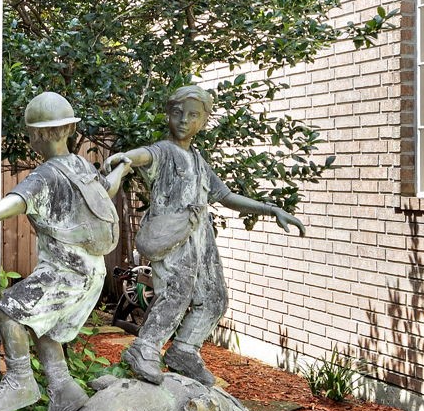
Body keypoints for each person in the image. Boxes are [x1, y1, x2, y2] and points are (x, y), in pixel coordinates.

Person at [103, 83, 303, 386]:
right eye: (178, 113)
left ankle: (184, 350)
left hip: (201, 239)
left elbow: (225, 195)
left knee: (214, 298)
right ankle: (144, 349)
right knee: (176, 292)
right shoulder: (165, 151)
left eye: (193, 115)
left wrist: (270, 209)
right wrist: (124, 158)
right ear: (168, 114)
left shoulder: (198, 160)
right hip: (173, 235)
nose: (184, 120)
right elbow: (144, 155)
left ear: (203, 120)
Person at [0, 92, 120, 411]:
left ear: (36, 135)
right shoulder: (81, 165)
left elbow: (17, 201)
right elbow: (106, 189)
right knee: (44, 327)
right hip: (92, 269)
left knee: (9, 310)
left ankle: (21, 381)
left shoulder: (46, 175)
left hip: (68, 270)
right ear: (70, 129)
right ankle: (64, 390)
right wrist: (121, 169)